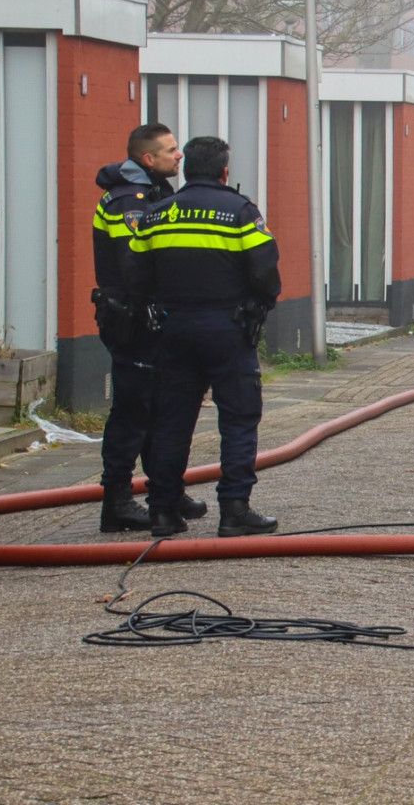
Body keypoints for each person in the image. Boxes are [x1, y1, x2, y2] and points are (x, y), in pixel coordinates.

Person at [127, 136, 281, 538]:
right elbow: (265, 271)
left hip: (172, 330)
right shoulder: (241, 213)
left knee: (171, 421)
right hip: (228, 330)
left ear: (186, 168)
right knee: (239, 418)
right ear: (224, 171)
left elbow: (134, 277)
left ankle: (163, 511)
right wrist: (258, 305)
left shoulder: (156, 215)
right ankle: (234, 511)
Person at [91, 123, 207, 532]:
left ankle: (167, 491)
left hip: (153, 320)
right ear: (148, 159)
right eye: (171, 150)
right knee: (132, 413)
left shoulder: (157, 193)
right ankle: (117, 502)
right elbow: (135, 264)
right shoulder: (129, 202)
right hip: (133, 323)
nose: (179, 156)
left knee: (162, 411)